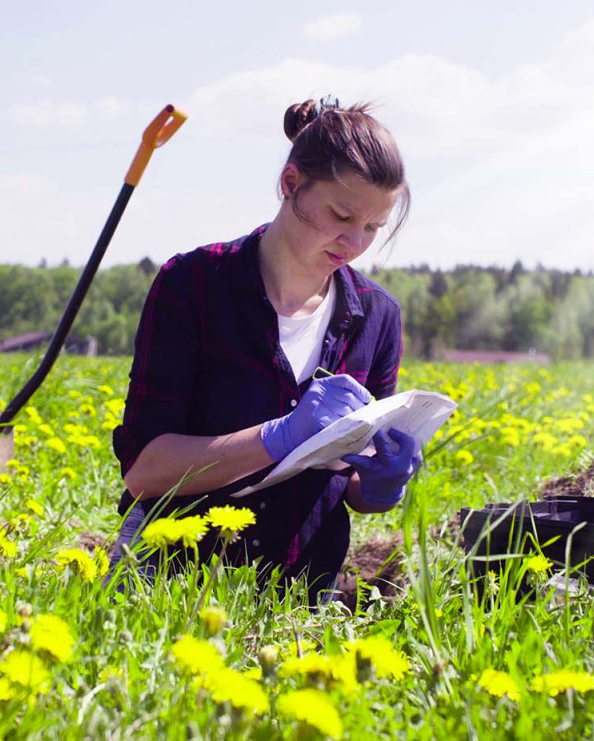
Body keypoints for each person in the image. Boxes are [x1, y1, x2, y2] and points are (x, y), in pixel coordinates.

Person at [110, 97, 420, 603]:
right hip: (169, 590)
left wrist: (382, 484)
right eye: (341, 215)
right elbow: (146, 472)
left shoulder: (377, 317)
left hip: (301, 596)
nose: (354, 241)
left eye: (372, 227)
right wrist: (277, 436)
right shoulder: (193, 286)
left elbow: (352, 484)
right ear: (291, 184)